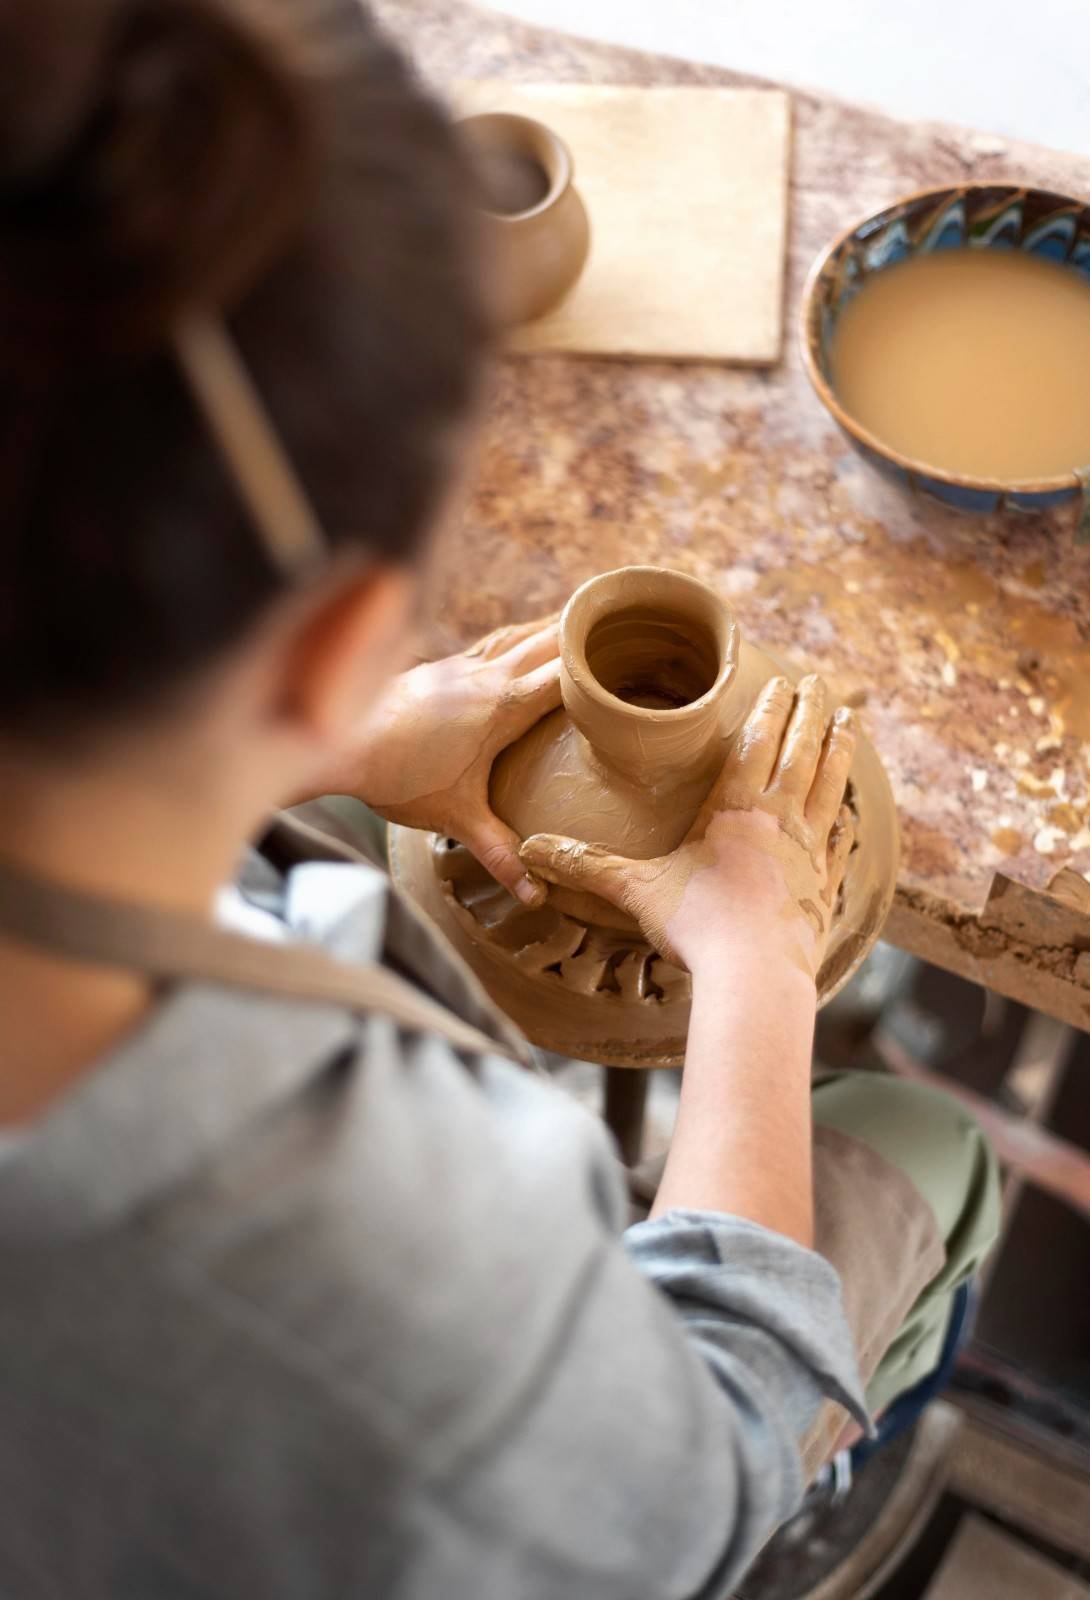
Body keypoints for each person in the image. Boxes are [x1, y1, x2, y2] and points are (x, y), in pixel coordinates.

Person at [0, 0, 999, 1595]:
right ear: (334, 642)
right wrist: (753, 966)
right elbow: (696, 1451)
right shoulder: (344, 1259)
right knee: (924, 1146)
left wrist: (321, 753)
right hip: (453, 1480)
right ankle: (851, 1492)